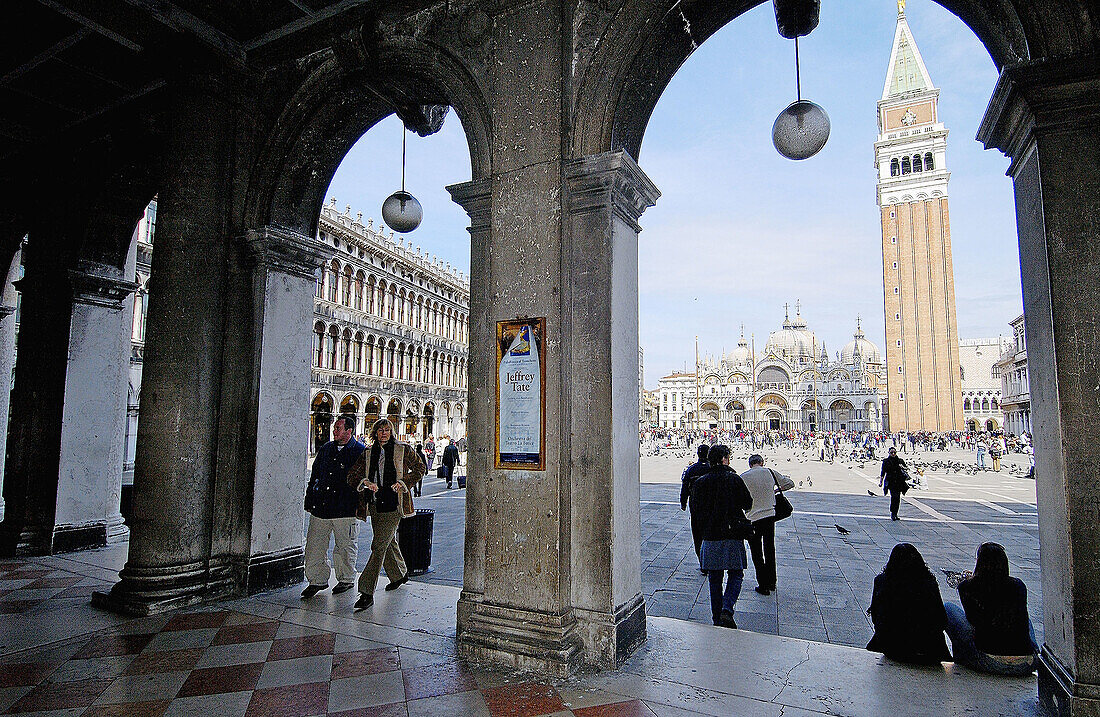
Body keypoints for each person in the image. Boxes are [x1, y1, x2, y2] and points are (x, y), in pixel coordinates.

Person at [347, 418, 426, 610]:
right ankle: (399, 574)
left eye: (387, 430)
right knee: (387, 540)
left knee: (378, 545)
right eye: (380, 430)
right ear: (375, 432)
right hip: (375, 504)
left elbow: (420, 468)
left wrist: (403, 483)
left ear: (392, 432)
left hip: (394, 504)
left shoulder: (402, 449)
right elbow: (352, 475)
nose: (384, 433)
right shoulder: (367, 453)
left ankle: (366, 591)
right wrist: (365, 482)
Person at [944, 543, 1038, 675]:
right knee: (1024, 616)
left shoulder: (967, 587)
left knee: (948, 608)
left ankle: (962, 658)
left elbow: (972, 620)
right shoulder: (1018, 585)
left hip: (990, 661)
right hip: (1027, 664)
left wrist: (968, 585)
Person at [302, 414, 365, 598]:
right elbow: (315, 476)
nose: (334, 431)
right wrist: (309, 499)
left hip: (345, 509)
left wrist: (359, 506)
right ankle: (317, 580)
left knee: (345, 547)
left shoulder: (360, 452)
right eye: (334, 427)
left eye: (338, 428)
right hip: (321, 507)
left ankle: (345, 579)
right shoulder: (326, 449)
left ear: (349, 431)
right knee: (315, 546)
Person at [691, 444, 753, 628]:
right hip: (732, 533)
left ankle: (717, 618)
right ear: (725, 459)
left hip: (710, 535)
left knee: (714, 578)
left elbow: (696, 512)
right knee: (736, 573)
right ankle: (727, 608)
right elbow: (747, 503)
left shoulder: (701, 482)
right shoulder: (733, 479)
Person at [866, 543, 952, 664]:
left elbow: (876, 617)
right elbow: (941, 620)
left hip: (892, 649)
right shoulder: (928, 583)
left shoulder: (882, 581)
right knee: (950, 608)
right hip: (927, 652)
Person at [740, 454, 794, 595]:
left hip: (753, 518)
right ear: (762, 462)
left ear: (750, 464)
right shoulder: (770, 472)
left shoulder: (744, 476)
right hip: (769, 516)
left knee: (756, 552)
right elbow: (789, 483)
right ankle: (772, 582)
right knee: (770, 549)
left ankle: (763, 584)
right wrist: (775, 490)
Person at [679, 444, 711, 565]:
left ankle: (702, 562)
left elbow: (685, 486)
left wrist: (683, 502)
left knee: (697, 534)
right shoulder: (711, 468)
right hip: (711, 506)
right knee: (709, 533)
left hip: (696, 505)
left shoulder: (691, 469)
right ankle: (709, 561)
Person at [879, 447, 909, 521]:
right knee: (894, 497)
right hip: (891, 481)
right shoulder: (886, 461)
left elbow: (906, 469)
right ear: (889, 453)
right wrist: (881, 482)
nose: (893, 454)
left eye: (894, 452)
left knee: (898, 498)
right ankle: (892, 513)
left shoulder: (900, 461)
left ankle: (895, 513)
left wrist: (902, 467)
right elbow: (883, 472)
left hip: (899, 482)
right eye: (891, 452)